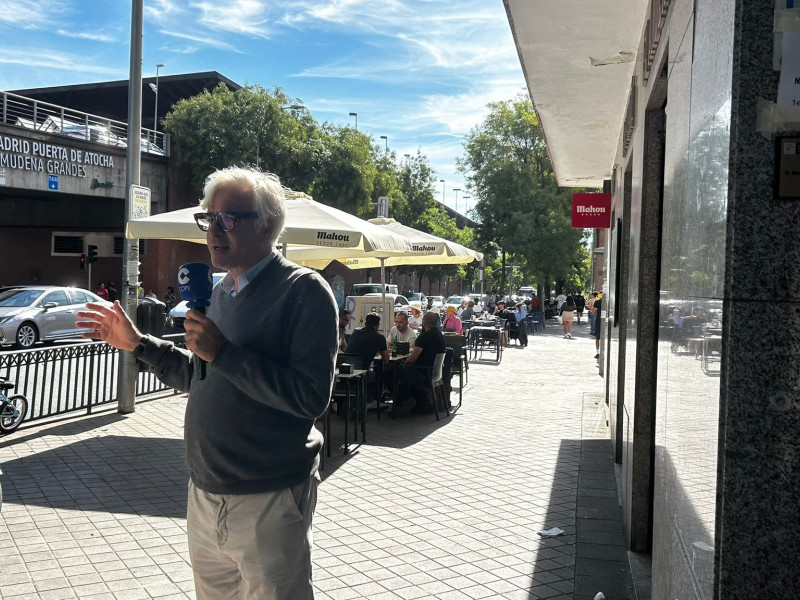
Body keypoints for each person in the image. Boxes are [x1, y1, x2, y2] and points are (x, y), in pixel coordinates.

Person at [76, 166, 337, 599]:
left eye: (229, 218)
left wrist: (224, 353)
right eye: (209, 218)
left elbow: (310, 398)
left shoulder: (305, 292)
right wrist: (139, 344)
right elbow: (201, 376)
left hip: (268, 496)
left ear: (268, 225)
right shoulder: (219, 293)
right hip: (203, 493)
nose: (214, 230)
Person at [394, 311, 447, 416]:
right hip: (435, 374)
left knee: (395, 372)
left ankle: (406, 401)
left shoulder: (423, 337)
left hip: (423, 374)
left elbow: (412, 359)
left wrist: (403, 363)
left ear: (424, 322)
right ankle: (415, 402)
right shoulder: (440, 337)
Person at [592, 293, 603, 359]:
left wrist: (597, 311)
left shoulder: (597, 302)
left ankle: (598, 352)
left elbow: (593, 311)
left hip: (599, 320)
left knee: (597, 338)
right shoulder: (609, 302)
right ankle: (603, 351)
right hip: (607, 321)